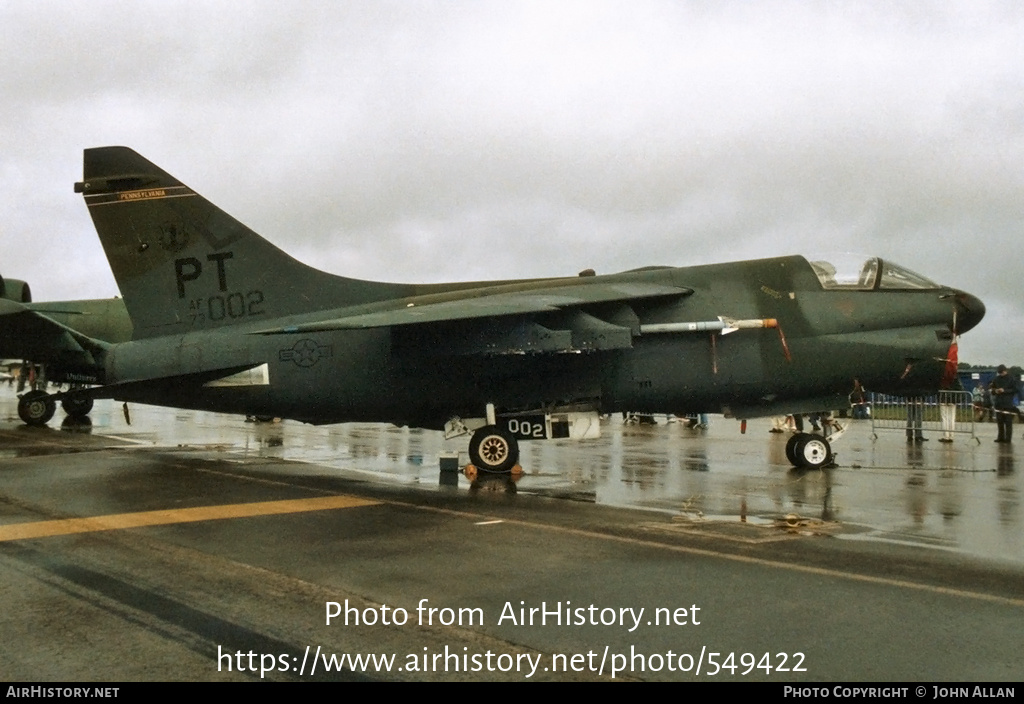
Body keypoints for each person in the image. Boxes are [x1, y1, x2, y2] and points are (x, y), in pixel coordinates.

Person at [989, 365, 1020, 443]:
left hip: (1008, 403)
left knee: (1008, 422)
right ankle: (1000, 437)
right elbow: (991, 389)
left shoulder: (1012, 379)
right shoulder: (996, 379)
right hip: (998, 403)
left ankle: (1008, 438)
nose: (1001, 374)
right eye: (999, 373)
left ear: (1006, 371)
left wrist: (1004, 390)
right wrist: (995, 391)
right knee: (999, 422)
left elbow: (1016, 389)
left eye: (1002, 372)